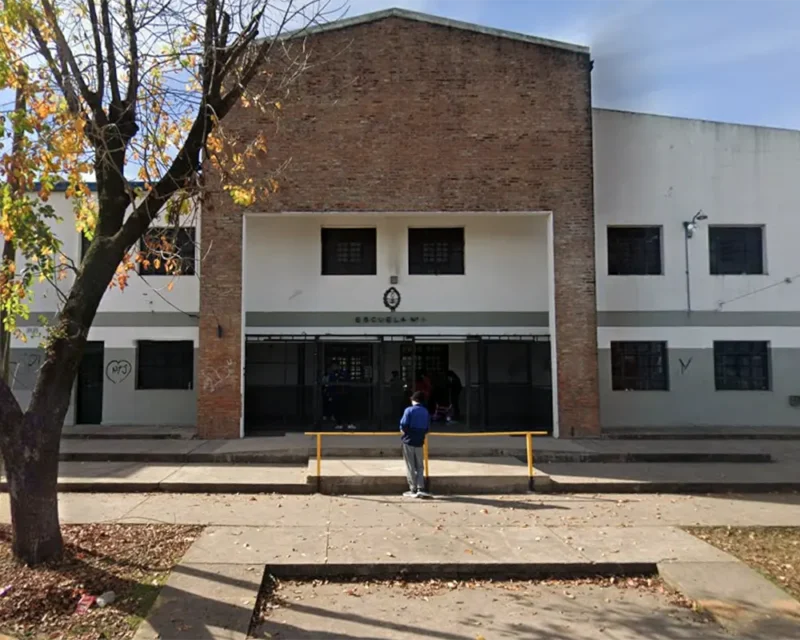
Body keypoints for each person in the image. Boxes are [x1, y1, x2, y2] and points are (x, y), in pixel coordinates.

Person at [399, 391, 431, 498]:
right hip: (419, 441)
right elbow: (427, 428)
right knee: (420, 465)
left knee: (410, 466)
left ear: (414, 400)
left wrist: (404, 432)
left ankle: (412, 489)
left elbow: (403, 424)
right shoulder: (425, 412)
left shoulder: (408, 410)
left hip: (408, 441)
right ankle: (420, 487)